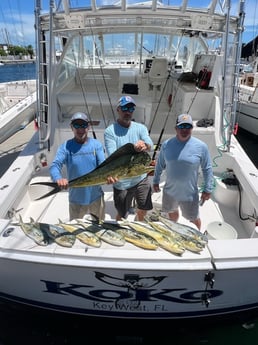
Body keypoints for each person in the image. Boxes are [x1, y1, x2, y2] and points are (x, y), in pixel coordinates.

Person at [152, 113, 214, 230]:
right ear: (176, 128)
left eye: (188, 127)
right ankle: (174, 230)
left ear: (192, 128)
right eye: (181, 126)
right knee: (172, 213)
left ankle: (197, 235)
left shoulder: (201, 146)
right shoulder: (166, 145)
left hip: (189, 194)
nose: (184, 130)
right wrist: (155, 181)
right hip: (170, 191)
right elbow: (160, 164)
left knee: (194, 219)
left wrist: (208, 189)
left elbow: (207, 169)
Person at [104, 95, 154, 221]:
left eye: (131, 109)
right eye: (125, 108)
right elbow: (113, 155)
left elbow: (151, 145)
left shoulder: (141, 128)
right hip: (122, 181)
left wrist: (145, 145)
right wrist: (133, 148)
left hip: (141, 179)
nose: (128, 111)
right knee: (122, 214)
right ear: (118, 110)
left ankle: (139, 227)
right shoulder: (110, 131)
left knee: (143, 209)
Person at [50, 112, 106, 221]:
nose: (80, 129)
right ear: (71, 127)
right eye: (77, 125)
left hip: (96, 198)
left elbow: (103, 166)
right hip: (76, 200)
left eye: (83, 125)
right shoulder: (65, 147)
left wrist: (108, 177)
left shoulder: (97, 145)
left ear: (88, 127)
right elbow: (55, 166)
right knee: (76, 232)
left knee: (100, 228)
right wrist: (58, 178)